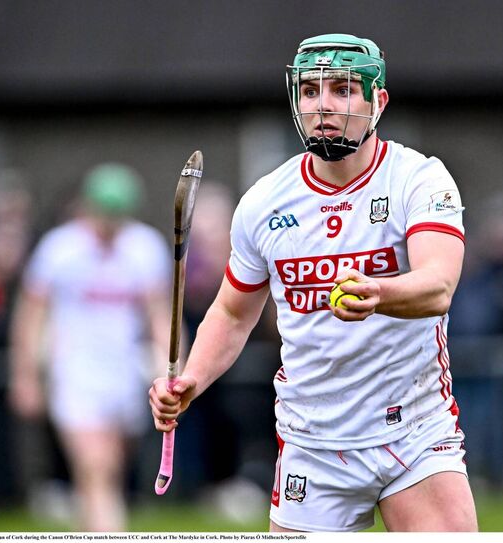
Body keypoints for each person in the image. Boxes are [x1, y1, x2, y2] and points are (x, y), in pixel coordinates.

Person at [150, 34, 477, 532]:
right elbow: (233, 312)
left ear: (378, 102)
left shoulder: (419, 180)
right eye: (309, 91)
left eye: (344, 88)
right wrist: (192, 378)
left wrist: (379, 293)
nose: (323, 104)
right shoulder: (265, 202)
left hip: (413, 430)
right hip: (313, 442)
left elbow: (439, 286)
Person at [10, 163, 171, 531]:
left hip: (126, 372)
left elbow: (160, 315)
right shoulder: (59, 249)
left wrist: (174, 367)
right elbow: (30, 315)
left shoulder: (144, 247)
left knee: (107, 469)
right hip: (75, 373)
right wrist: (26, 376)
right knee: (97, 466)